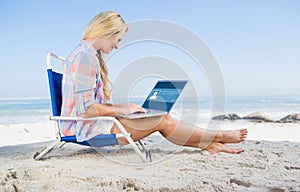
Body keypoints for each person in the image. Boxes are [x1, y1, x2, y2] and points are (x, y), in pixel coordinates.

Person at [61, 11, 247, 155]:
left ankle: (212, 144)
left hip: (95, 124)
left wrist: (124, 108)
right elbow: (86, 110)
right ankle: (218, 136)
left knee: (162, 118)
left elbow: (88, 105)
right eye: (118, 40)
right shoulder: (85, 57)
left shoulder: (86, 54)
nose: (117, 45)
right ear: (107, 31)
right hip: (88, 129)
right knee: (162, 120)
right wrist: (122, 109)